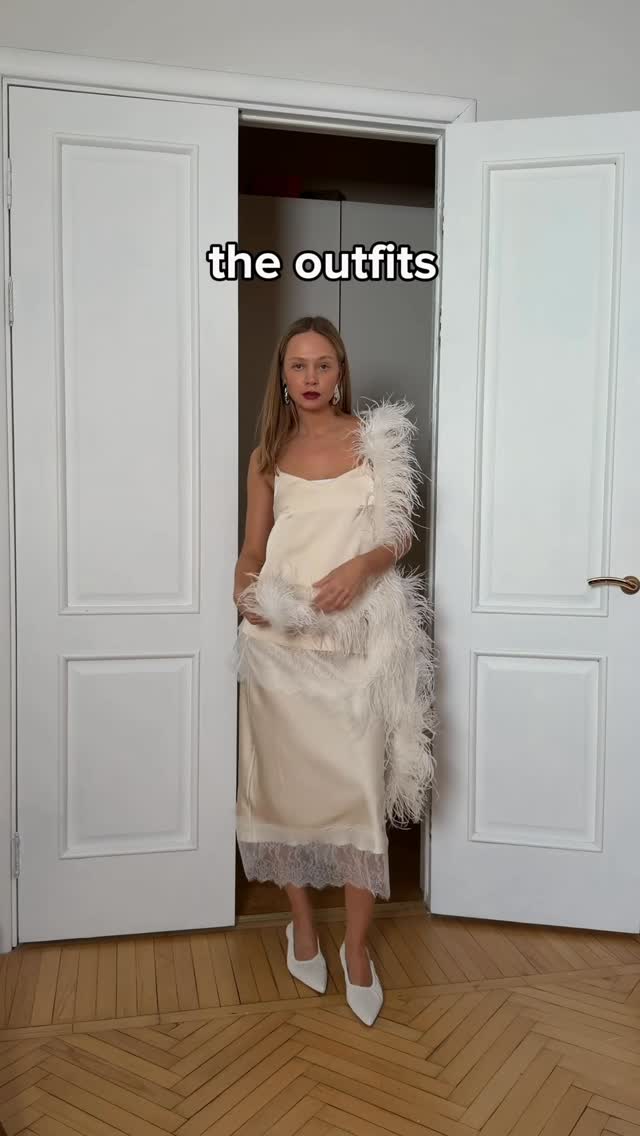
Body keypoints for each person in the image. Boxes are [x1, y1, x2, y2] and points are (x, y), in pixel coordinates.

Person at [232, 314, 436, 1026]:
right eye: (299, 366)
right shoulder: (266, 455)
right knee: (282, 794)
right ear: (283, 377)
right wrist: (243, 592)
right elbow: (253, 550)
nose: (311, 377)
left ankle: (355, 947)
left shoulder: (375, 441)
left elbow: (399, 530)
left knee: (357, 795)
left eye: (323, 365)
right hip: (279, 648)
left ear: (340, 372)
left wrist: (361, 566)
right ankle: (302, 926)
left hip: (354, 648)